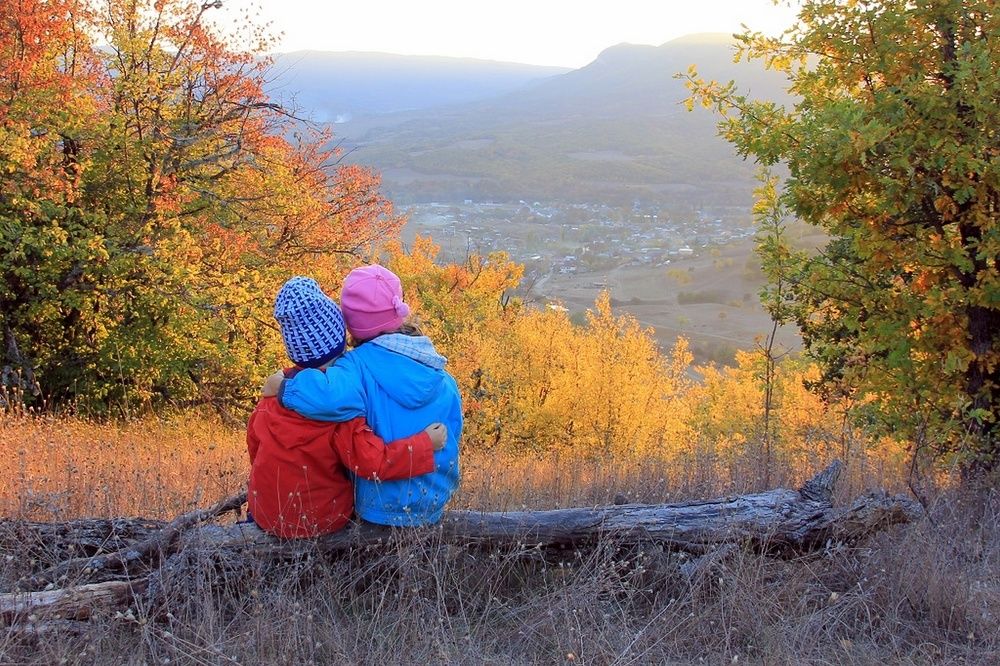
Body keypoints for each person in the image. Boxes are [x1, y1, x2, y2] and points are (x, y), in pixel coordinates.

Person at [246, 276, 446, 538]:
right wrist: (424, 445)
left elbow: (255, 448)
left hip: (265, 512)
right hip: (320, 520)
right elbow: (373, 463)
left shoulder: (272, 396)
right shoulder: (340, 406)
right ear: (340, 340)